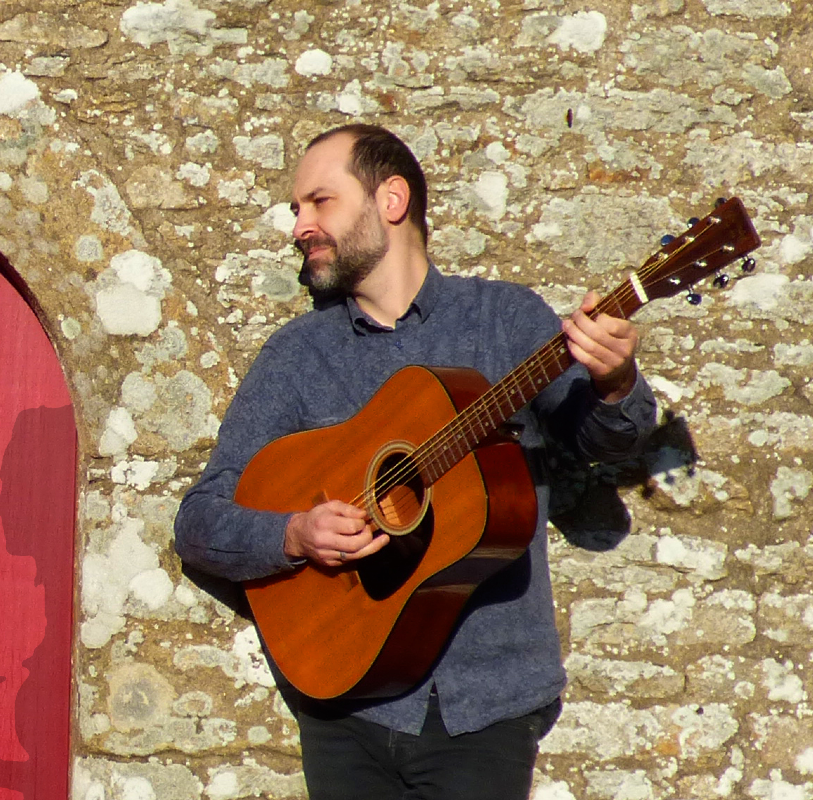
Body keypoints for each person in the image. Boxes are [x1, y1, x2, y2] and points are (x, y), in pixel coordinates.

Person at [173, 124, 658, 798]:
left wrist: (614, 382)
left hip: (484, 707)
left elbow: (606, 442)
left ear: (390, 200)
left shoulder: (503, 322)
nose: (299, 227)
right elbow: (199, 522)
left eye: (319, 202)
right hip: (346, 711)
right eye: (296, 210)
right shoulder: (297, 356)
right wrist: (292, 534)